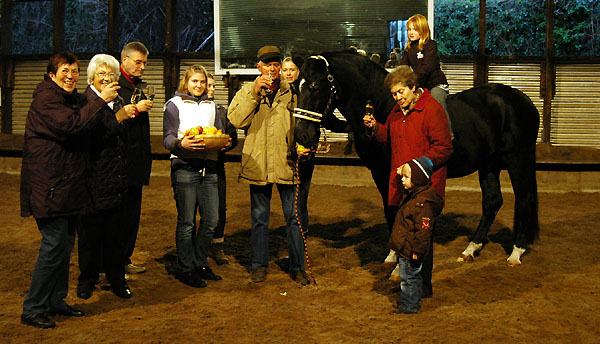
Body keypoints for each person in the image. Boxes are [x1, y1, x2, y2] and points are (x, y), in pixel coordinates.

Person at [20, 52, 120, 328]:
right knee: (53, 245)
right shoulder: (46, 99)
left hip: (66, 186)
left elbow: (95, 128)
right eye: (65, 70)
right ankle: (33, 307)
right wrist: (101, 100)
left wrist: (105, 103)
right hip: (48, 185)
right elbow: (71, 125)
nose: (71, 75)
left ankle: (55, 300)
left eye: (75, 71)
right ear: (51, 75)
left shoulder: (72, 99)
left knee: (64, 245)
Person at [363, 65, 452, 298]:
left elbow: (443, 149)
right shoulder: (396, 112)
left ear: (414, 88)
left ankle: (423, 286)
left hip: (425, 187)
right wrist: (376, 129)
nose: (398, 97)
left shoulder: (432, 110)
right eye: (394, 94)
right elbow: (391, 139)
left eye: (401, 92)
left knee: (421, 238)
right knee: (404, 234)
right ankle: (411, 284)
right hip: (402, 186)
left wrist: (416, 167)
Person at [228, 46, 310, 286]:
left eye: (276, 64)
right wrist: (254, 94)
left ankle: (298, 267)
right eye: (267, 64)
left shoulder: (294, 93)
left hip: (287, 162)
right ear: (259, 67)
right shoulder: (246, 91)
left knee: (293, 218)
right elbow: (235, 120)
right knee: (260, 219)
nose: (273, 69)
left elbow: (304, 125)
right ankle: (258, 266)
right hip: (259, 163)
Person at [76, 54, 137, 300]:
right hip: (91, 179)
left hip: (116, 178)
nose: (106, 78)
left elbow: (124, 136)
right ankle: (87, 279)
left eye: (110, 74)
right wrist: (118, 118)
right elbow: (88, 137)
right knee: (89, 236)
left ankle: (116, 278)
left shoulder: (118, 98)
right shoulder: (84, 101)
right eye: (101, 74)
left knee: (115, 234)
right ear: (91, 77)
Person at [163, 65, 227, 288]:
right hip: (185, 168)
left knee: (211, 220)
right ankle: (186, 268)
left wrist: (223, 143)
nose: (199, 86)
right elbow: (168, 138)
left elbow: (218, 132)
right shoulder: (174, 105)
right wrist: (181, 144)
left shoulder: (212, 106)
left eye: (202, 82)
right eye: (194, 82)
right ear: (186, 82)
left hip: (209, 168)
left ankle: (200, 263)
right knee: (187, 222)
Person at [389, 157, 444, 314]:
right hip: (406, 246)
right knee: (411, 278)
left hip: (411, 249)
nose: (403, 180)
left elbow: (423, 231)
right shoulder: (414, 196)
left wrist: (417, 251)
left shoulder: (422, 204)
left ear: (418, 179)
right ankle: (412, 301)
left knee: (408, 279)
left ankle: (409, 306)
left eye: (406, 177)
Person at [117, 42, 154, 274]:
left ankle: (123, 259)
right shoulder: (114, 87)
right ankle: (109, 264)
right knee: (118, 217)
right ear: (124, 60)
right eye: (138, 62)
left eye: (144, 63)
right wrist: (137, 109)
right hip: (120, 164)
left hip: (137, 163)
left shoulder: (140, 87)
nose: (142, 67)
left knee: (132, 216)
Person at [400, 14, 453, 136]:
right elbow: (403, 68)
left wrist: (411, 81)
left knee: (437, 103)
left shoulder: (430, 45)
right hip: (420, 86)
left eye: (415, 29)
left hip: (436, 84)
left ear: (423, 30)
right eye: (409, 29)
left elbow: (427, 68)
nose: (411, 32)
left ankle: (448, 136)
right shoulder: (408, 49)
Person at [206, 73, 238, 265]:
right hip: (196, 167)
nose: (210, 89)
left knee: (220, 207)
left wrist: (228, 144)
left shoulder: (221, 111)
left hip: (217, 165)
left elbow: (232, 134)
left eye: (212, 86)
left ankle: (217, 245)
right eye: (207, 85)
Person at [282, 56, 314, 233]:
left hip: (305, 154)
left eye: (291, 69)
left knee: (301, 196)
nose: (288, 73)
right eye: (285, 70)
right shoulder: (279, 93)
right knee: (290, 198)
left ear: (298, 72)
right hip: (285, 155)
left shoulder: (305, 93)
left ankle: (302, 233)